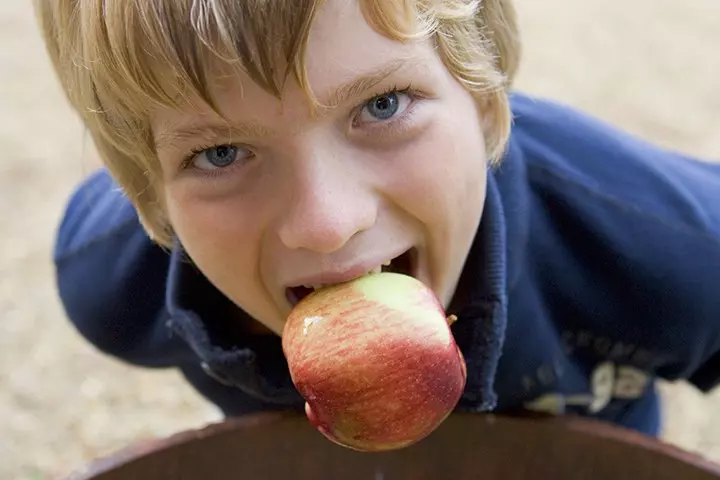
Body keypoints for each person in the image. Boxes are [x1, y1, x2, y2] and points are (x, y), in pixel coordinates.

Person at [36, 0, 720, 438]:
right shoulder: (114, 288)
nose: (327, 224)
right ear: (153, 197)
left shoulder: (657, 246)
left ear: (482, 98)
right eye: (221, 153)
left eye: (384, 105)